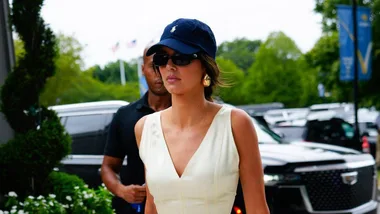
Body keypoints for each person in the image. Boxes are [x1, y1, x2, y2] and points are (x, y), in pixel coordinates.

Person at [135, 18, 270, 214]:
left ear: (206, 66)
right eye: (162, 59)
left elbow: (257, 208)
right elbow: (152, 206)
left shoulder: (235, 123)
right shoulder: (145, 128)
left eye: (181, 58)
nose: (170, 66)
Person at [101, 46, 171, 214]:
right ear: (142, 69)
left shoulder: (189, 114)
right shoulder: (125, 115)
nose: (158, 73)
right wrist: (122, 190)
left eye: (162, 65)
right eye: (152, 66)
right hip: (136, 208)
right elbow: (108, 167)